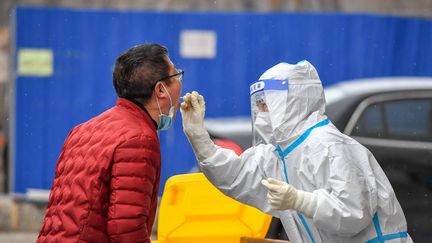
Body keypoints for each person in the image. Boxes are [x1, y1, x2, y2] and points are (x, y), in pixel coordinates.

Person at [180, 61, 412, 242]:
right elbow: (235, 176)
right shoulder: (278, 154)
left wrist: (300, 200)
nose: (260, 113)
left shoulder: (329, 146)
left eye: (266, 105)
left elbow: (353, 214)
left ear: (292, 101)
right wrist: (199, 138)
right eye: (258, 106)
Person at [38, 43, 183, 242]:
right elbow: (127, 228)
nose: (180, 83)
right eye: (176, 76)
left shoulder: (83, 130)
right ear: (160, 90)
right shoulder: (139, 138)